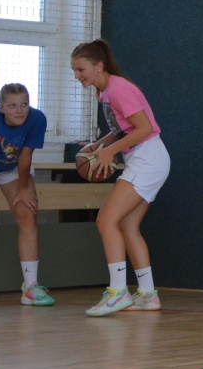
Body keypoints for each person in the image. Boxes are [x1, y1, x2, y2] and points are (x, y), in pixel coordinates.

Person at [71, 40, 171, 316]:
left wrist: (109, 152)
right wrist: (98, 146)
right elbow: (121, 130)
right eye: (74, 71)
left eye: (81, 69)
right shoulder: (105, 92)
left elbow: (144, 128)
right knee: (127, 226)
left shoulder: (118, 90)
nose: (77, 75)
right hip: (146, 158)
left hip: (147, 157)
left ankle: (118, 293)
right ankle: (148, 295)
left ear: (98, 66)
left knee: (105, 220)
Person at [0, 84, 52, 305]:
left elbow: (25, 156)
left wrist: (23, 189)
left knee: (26, 211)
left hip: (12, 166)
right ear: (1, 108)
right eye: (12, 106)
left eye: (24, 104)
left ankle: (31, 287)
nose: (19, 110)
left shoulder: (37, 119)